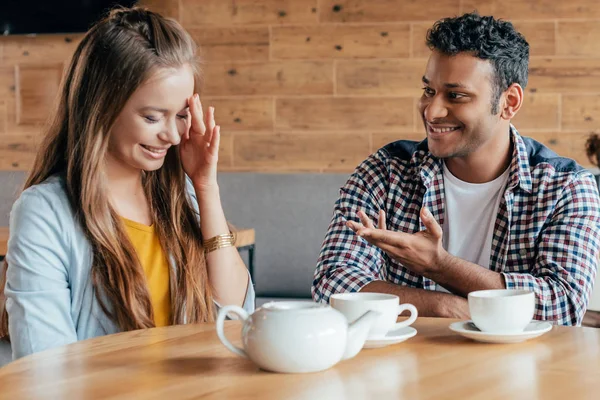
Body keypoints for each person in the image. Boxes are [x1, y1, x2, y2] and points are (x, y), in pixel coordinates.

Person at [313, 12, 600, 326]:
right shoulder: (385, 173)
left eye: (456, 96)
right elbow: (333, 283)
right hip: (407, 367)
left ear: (509, 102)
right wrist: (446, 307)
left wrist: (439, 266)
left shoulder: (565, 187)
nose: (432, 111)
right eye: (428, 91)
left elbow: (563, 306)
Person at [0, 6, 254, 360]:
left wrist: (206, 187)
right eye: (152, 117)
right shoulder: (44, 213)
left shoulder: (181, 197)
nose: (171, 135)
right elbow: (44, 369)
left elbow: (236, 317)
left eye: (181, 115)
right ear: (101, 106)